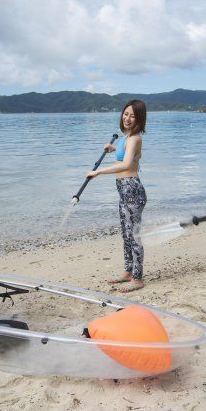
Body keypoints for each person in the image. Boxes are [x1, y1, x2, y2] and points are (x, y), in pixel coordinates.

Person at [87, 99, 147, 293]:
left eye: (133, 116)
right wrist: (113, 148)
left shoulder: (135, 137)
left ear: (139, 119)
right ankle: (128, 271)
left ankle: (137, 278)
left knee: (134, 235)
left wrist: (98, 172)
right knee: (125, 234)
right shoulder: (125, 137)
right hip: (123, 190)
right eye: (126, 114)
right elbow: (123, 152)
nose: (128, 118)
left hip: (132, 190)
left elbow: (127, 164)